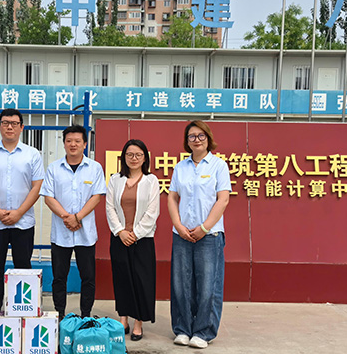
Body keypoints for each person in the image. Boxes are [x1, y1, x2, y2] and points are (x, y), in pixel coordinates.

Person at [167, 121, 231, 350]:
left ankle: (204, 331)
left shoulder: (218, 166)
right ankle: (183, 329)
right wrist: (178, 225)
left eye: (201, 135)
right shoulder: (180, 167)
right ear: (187, 141)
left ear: (208, 138)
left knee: (207, 286)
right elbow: (172, 197)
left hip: (209, 235)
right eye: (192, 136)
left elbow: (223, 199)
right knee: (180, 284)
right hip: (182, 234)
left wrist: (204, 228)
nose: (197, 140)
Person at [0, 108, 45, 311]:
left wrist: (19, 212)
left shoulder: (32, 154)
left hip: (23, 222)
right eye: (5, 123)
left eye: (14, 123)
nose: (10, 127)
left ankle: (23, 307)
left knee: (23, 267)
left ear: (21, 127)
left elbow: (37, 186)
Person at [40, 125, 105, 319]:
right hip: (61, 232)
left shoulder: (94, 168)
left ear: (85, 144)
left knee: (88, 277)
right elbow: (48, 197)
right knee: (59, 277)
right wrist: (67, 217)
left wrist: (77, 217)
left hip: (86, 233)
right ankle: (60, 314)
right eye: (69, 141)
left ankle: (86, 315)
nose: (73, 144)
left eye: (77, 141)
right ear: (64, 144)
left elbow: (97, 196)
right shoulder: (54, 168)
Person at [105, 139, 160, 341]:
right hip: (119, 238)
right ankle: (123, 320)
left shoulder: (151, 180)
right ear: (123, 157)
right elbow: (109, 207)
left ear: (145, 158)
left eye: (138, 155)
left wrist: (135, 233)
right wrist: (120, 231)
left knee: (142, 281)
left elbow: (152, 212)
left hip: (142, 240)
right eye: (129, 154)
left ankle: (138, 323)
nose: (134, 158)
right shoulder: (115, 179)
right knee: (122, 279)